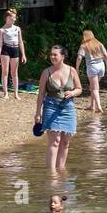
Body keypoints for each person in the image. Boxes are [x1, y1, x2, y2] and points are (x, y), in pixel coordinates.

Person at [35, 44, 81, 172]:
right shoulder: (46, 72)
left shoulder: (72, 71)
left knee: (65, 142)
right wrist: (38, 113)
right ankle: (52, 174)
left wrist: (72, 93)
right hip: (51, 107)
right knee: (55, 142)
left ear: (63, 56)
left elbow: (79, 88)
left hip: (68, 108)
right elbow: (41, 94)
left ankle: (61, 170)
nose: (52, 57)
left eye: (55, 54)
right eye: (51, 54)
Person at [0, 8, 27, 99]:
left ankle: (16, 94)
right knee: (5, 71)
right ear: (7, 18)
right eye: (13, 17)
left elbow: (20, 42)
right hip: (6, 49)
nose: (14, 19)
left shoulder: (17, 29)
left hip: (15, 49)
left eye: (15, 17)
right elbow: (0, 44)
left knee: (14, 72)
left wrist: (23, 54)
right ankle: (5, 93)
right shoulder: (2, 30)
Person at [76, 30, 107, 113]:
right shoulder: (99, 44)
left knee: (94, 88)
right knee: (93, 87)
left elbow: (79, 58)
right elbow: (106, 56)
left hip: (92, 67)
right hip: (101, 66)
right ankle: (92, 105)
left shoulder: (84, 45)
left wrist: (77, 69)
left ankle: (98, 107)